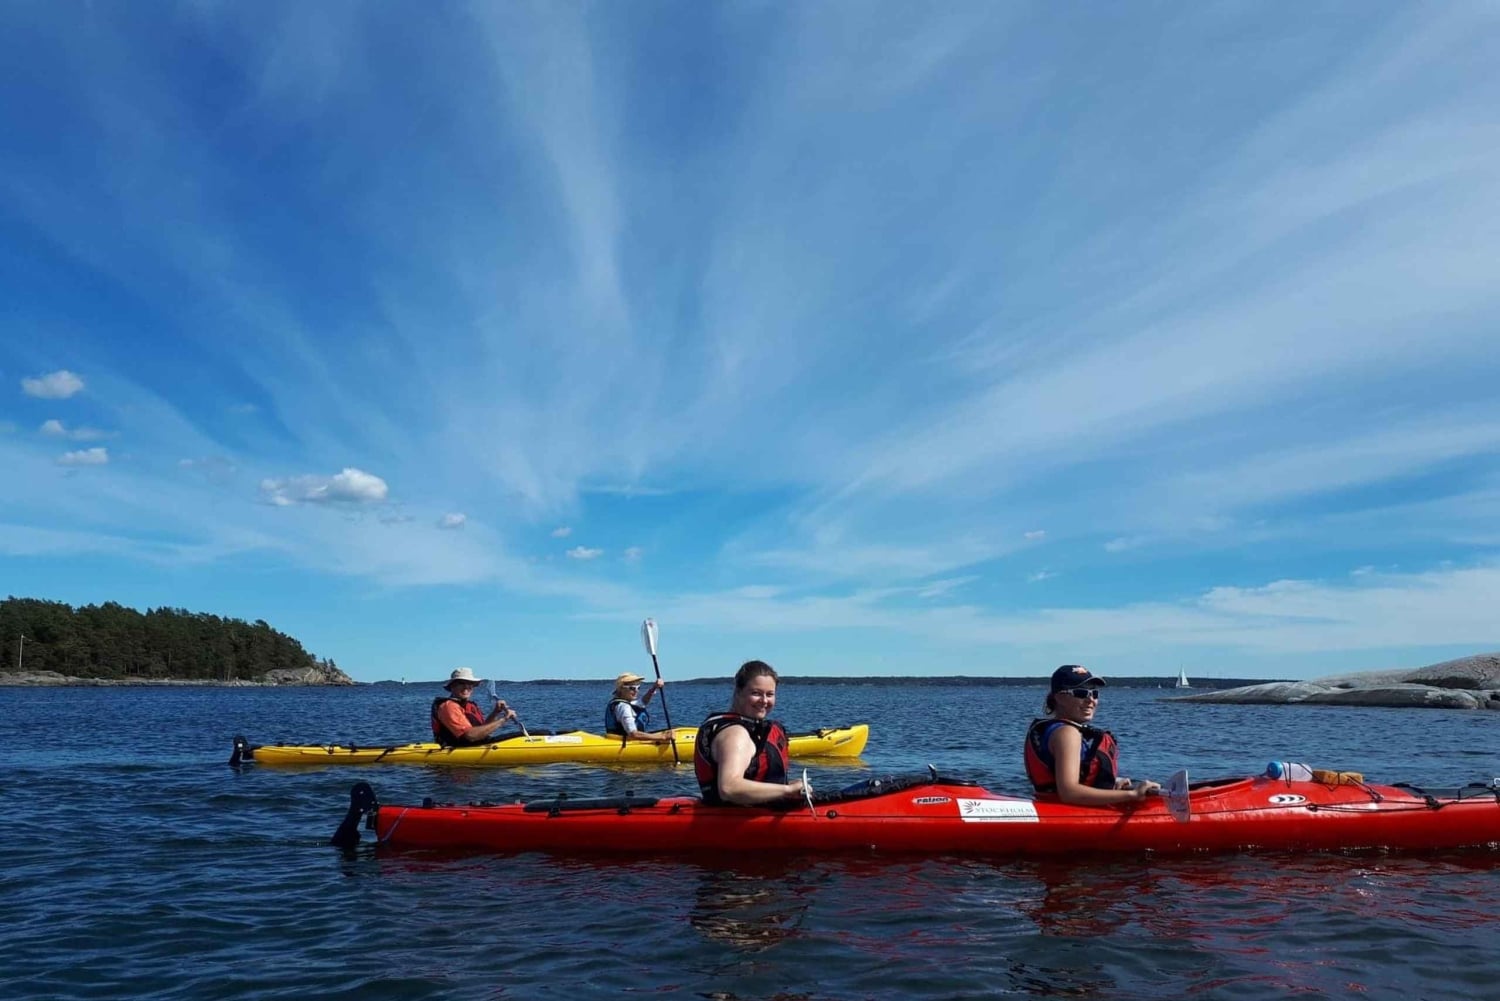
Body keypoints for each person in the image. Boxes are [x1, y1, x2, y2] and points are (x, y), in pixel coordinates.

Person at [1023, 664, 1160, 806]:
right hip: (1068, 813)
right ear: (1059, 698)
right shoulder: (1068, 734)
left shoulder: (1054, 730)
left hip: (1049, 803)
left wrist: (1110, 785)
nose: (1090, 700)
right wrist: (1132, 794)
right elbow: (1069, 793)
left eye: (1094, 694)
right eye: (1081, 693)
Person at [693, 660, 812, 806]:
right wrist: (786, 790)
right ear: (738, 691)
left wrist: (785, 787)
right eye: (756, 693)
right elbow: (729, 788)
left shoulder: (747, 729)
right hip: (734, 821)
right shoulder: (735, 735)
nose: (764, 701)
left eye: (770, 694)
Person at [431, 666, 517, 747]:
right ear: (452, 686)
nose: (466, 686)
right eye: (461, 683)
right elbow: (470, 736)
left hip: (476, 744)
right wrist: (504, 719)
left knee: (528, 733)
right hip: (457, 748)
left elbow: (482, 730)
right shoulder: (449, 706)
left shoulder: (470, 705)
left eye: (470, 683)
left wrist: (495, 712)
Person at [604, 672, 674, 744]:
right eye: (632, 688)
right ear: (621, 689)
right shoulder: (624, 707)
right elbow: (633, 734)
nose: (636, 691)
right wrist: (662, 737)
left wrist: (654, 687)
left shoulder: (623, 703)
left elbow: (643, 702)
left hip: (625, 739)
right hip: (626, 743)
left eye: (638, 687)